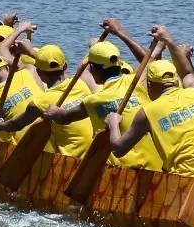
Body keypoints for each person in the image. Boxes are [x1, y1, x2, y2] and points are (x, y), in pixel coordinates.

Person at [106, 26, 194, 176]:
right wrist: (169, 41)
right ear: (176, 80)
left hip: (182, 181)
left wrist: (113, 123)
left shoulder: (147, 112)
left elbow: (118, 149)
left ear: (149, 84)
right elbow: (188, 72)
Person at [41, 35, 155, 169]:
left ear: (93, 69)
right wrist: (120, 32)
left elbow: (65, 118)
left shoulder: (93, 101)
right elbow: (149, 62)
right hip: (155, 166)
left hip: (121, 171)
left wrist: (54, 112)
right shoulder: (138, 82)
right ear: (120, 64)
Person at [0, 42, 96, 158]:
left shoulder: (41, 102)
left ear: (38, 73)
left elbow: (15, 125)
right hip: (90, 155)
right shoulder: (80, 84)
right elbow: (53, 65)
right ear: (65, 66)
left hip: (66, 159)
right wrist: (30, 51)